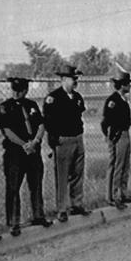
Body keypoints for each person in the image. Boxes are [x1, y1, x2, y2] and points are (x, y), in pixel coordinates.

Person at [0, 76, 53, 237]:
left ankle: (38, 215)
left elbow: (41, 125)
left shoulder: (32, 105)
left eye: (20, 91)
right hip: (15, 152)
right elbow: (6, 130)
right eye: (14, 90)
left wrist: (35, 142)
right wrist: (24, 145)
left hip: (33, 150)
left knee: (36, 184)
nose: (16, 93)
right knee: (13, 187)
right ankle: (14, 222)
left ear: (26, 90)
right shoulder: (5, 107)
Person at [43, 64, 91, 223]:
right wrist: (54, 141)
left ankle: (77, 204)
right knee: (62, 176)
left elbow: (79, 116)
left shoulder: (77, 97)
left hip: (77, 138)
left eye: (76, 79)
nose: (75, 81)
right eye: (72, 78)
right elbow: (49, 122)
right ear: (63, 79)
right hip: (63, 140)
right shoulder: (53, 98)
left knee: (78, 173)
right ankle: (62, 209)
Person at [100, 70, 131, 210]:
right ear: (122, 85)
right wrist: (110, 138)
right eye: (127, 84)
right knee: (118, 166)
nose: (129, 86)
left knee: (125, 166)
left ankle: (123, 193)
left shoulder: (123, 99)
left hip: (125, 134)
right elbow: (105, 122)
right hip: (118, 136)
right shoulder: (113, 100)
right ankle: (115, 195)